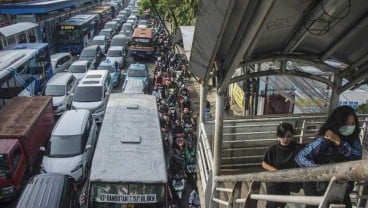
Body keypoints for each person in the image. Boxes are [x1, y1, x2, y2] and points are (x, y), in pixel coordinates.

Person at [295, 105, 362, 208]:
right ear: (338, 123)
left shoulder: (353, 138)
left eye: (352, 124)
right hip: (317, 187)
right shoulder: (324, 138)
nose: (350, 127)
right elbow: (301, 157)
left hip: (340, 186)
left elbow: (357, 156)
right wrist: (319, 171)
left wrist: (339, 142)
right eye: (347, 123)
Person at [262, 123, 302, 208]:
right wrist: (276, 172)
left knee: (282, 203)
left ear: (292, 136)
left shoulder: (297, 148)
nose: (285, 139)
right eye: (282, 136)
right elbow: (264, 163)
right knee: (272, 203)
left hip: (287, 181)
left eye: (288, 136)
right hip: (273, 179)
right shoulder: (273, 148)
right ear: (278, 136)